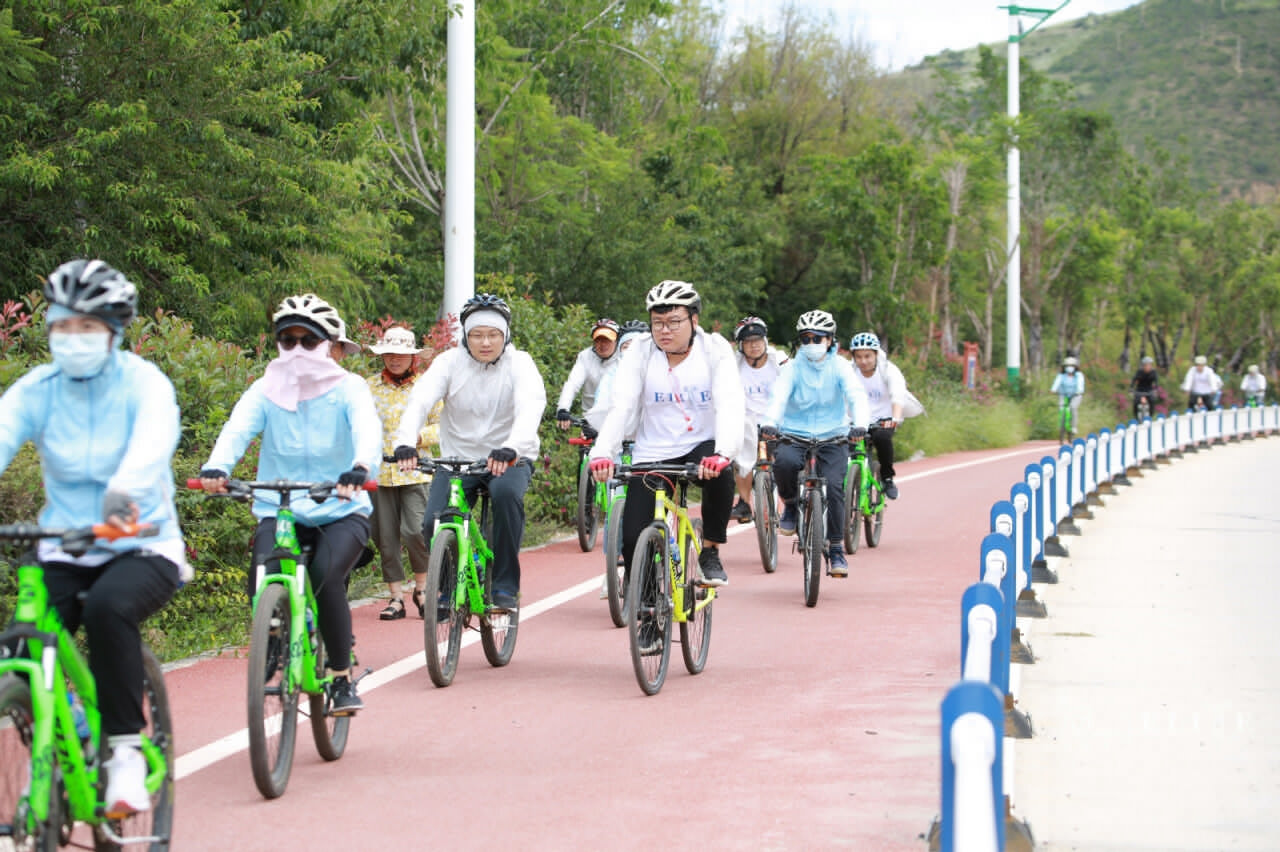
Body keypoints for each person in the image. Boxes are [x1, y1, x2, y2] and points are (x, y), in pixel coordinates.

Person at [0, 259, 187, 817]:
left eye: (87, 327)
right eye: (62, 326)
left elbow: (153, 442)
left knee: (108, 610)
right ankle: (73, 727)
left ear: (114, 330)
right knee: (19, 649)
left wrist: (121, 497)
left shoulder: (144, 383)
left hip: (141, 542)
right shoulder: (38, 389)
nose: (72, 339)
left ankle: (125, 752)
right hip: (65, 543)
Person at [199, 293, 381, 716]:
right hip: (278, 509)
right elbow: (236, 429)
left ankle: (339, 678)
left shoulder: (349, 388)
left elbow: (367, 430)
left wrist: (359, 467)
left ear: (332, 345)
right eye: (288, 340)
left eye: (309, 340)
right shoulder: (265, 390)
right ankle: (274, 637)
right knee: (262, 574)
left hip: (342, 508)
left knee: (323, 576)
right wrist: (216, 467)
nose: (298, 350)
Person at [588, 279, 744, 640]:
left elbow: (730, 403)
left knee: (720, 476)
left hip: (702, 443)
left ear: (693, 319)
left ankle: (710, 550)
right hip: (653, 449)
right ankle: (649, 615)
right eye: (658, 322)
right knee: (632, 535)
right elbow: (623, 406)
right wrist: (601, 452)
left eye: (674, 321)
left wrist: (723, 452)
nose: (665, 330)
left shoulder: (714, 349)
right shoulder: (639, 352)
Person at [392, 294, 546, 612]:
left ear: (505, 336)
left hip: (509, 457)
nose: (485, 342)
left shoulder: (521, 364)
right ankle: (450, 584)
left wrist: (512, 447)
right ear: (465, 336)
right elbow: (420, 401)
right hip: (459, 459)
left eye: (493, 334)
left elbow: (531, 406)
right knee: (433, 522)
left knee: (505, 497)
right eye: (476, 334)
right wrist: (405, 441)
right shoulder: (449, 363)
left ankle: (504, 585)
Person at [759, 311, 870, 577]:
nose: (812, 343)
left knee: (833, 487)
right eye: (806, 338)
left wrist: (860, 424)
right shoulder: (793, 368)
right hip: (794, 433)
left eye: (818, 338)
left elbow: (856, 395)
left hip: (833, 436)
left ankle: (835, 548)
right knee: (784, 463)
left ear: (831, 340)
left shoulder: (841, 367)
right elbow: (779, 396)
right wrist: (770, 421)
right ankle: (789, 504)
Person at [366, 326, 439, 621]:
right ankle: (395, 596)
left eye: (402, 354)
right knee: (385, 536)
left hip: (416, 471)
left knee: (415, 530)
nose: (395, 359)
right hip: (380, 472)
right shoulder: (369, 387)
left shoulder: (426, 387)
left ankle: (421, 589)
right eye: (390, 354)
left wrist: (418, 440)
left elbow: (440, 425)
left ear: (413, 357)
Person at [729, 316, 788, 523]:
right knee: (741, 459)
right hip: (746, 422)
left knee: (786, 461)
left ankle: (790, 503)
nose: (754, 346)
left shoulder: (779, 361)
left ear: (765, 341)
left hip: (777, 421)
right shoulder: (733, 366)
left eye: (758, 340)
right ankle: (744, 503)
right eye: (748, 342)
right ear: (741, 345)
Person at [849, 331, 914, 500]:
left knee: (883, 438)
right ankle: (847, 484)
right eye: (859, 357)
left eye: (868, 356)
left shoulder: (888, 370)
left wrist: (895, 419)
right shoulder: (849, 372)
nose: (863, 361)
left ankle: (887, 478)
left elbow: (897, 395)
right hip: (857, 421)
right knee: (842, 445)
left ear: (876, 354)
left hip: (883, 420)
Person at [555, 318, 621, 430]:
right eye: (598, 340)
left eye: (607, 340)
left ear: (616, 341)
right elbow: (572, 384)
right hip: (590, 419)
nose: (603, 344)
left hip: (617, 418)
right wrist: (563, 408)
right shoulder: (585, 357)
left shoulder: (624, 357)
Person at [1050, 356, 1086, 441]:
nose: (1070, 368)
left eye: (1072, 366)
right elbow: (1056, 382)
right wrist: (1053, 389)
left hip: (1076, 395)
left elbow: (1080, 385)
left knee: (1073, 407)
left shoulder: (1078, 375)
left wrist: (1079, 391)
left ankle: (1073, 427)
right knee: (1061, 407)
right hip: (1064, 394)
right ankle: (1061, 428)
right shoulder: (1062, 375)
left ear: (1075, 367)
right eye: (1068, 366)